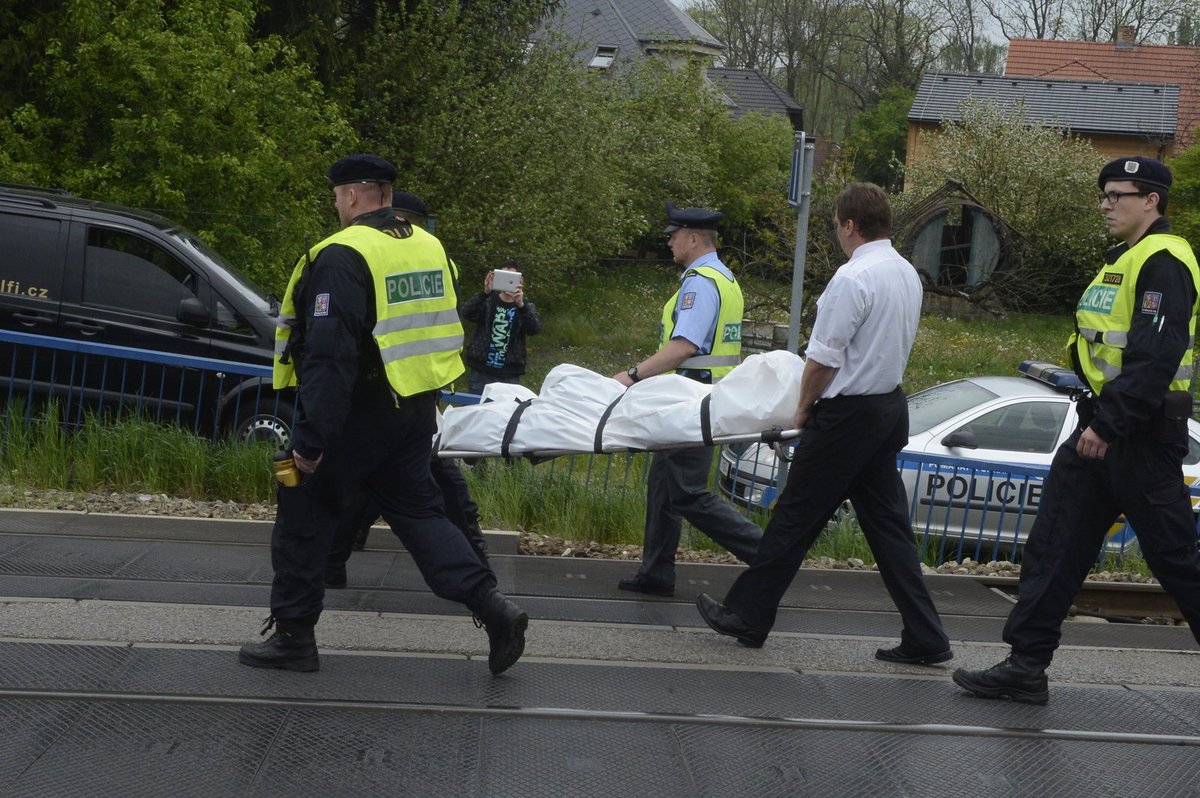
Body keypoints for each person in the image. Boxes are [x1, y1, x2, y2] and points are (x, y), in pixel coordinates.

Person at [238, 154, 526, 675]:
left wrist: (310, 440)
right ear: (388, 196)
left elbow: (330, 356)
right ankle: (494, 609)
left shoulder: (343, 254)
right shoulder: (427, 245)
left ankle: (294, 638)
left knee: (303, 514)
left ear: (350, 196)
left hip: (358, 411)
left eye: (335, 197)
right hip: (415, 410)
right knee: (422, 515)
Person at [953, 156, 1200, 704]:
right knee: (1054, 548)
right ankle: (1025, 665)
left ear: (1151, 201)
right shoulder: (1124, 260)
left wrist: (1108, 426)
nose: (1105, 205)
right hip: (1100, 433)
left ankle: (1025, 662)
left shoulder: (1164, 261)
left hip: (1135, 439)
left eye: (1118, 195)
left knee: (1179, 563)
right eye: (1104, 195)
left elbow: (1155, 357)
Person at [694, 183, 951, 664]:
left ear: (850, 224)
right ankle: (926, 634)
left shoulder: (852, 278)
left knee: (795, 516)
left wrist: (803, 408)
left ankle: (748, 615)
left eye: (836, 224)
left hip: (847, 416)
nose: (836, 231)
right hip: (886, 409)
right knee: (889, 530)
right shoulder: (906, 273)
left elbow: (823, 359)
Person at [323, 191, 490, 576]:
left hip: (390, 392)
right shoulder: (436, 259)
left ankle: (334, 559)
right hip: (418, 391)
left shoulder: (375, 257)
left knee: (381, 482)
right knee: (419, 486)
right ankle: (477, 569)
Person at [613, 202, 763, 598]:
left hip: (691, 396)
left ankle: (769, 556)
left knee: (686, 492)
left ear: (693, 238)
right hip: (702, 395)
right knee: (664, 485)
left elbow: (683, 346)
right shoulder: (724, 278)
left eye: (673, 234)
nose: (668, 240)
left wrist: (631, 375)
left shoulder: (700, 281)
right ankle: (657, 571)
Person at [461, 260, 542, 395]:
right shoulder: (487, 300)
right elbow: (466, 312)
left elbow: (534, 329)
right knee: (476, 411)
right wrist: (485, 292)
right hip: (482, 371)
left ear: (520, 281)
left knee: (506, 414)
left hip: (509, 374)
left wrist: (521, 305)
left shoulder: (525, 307)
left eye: (512, 277)